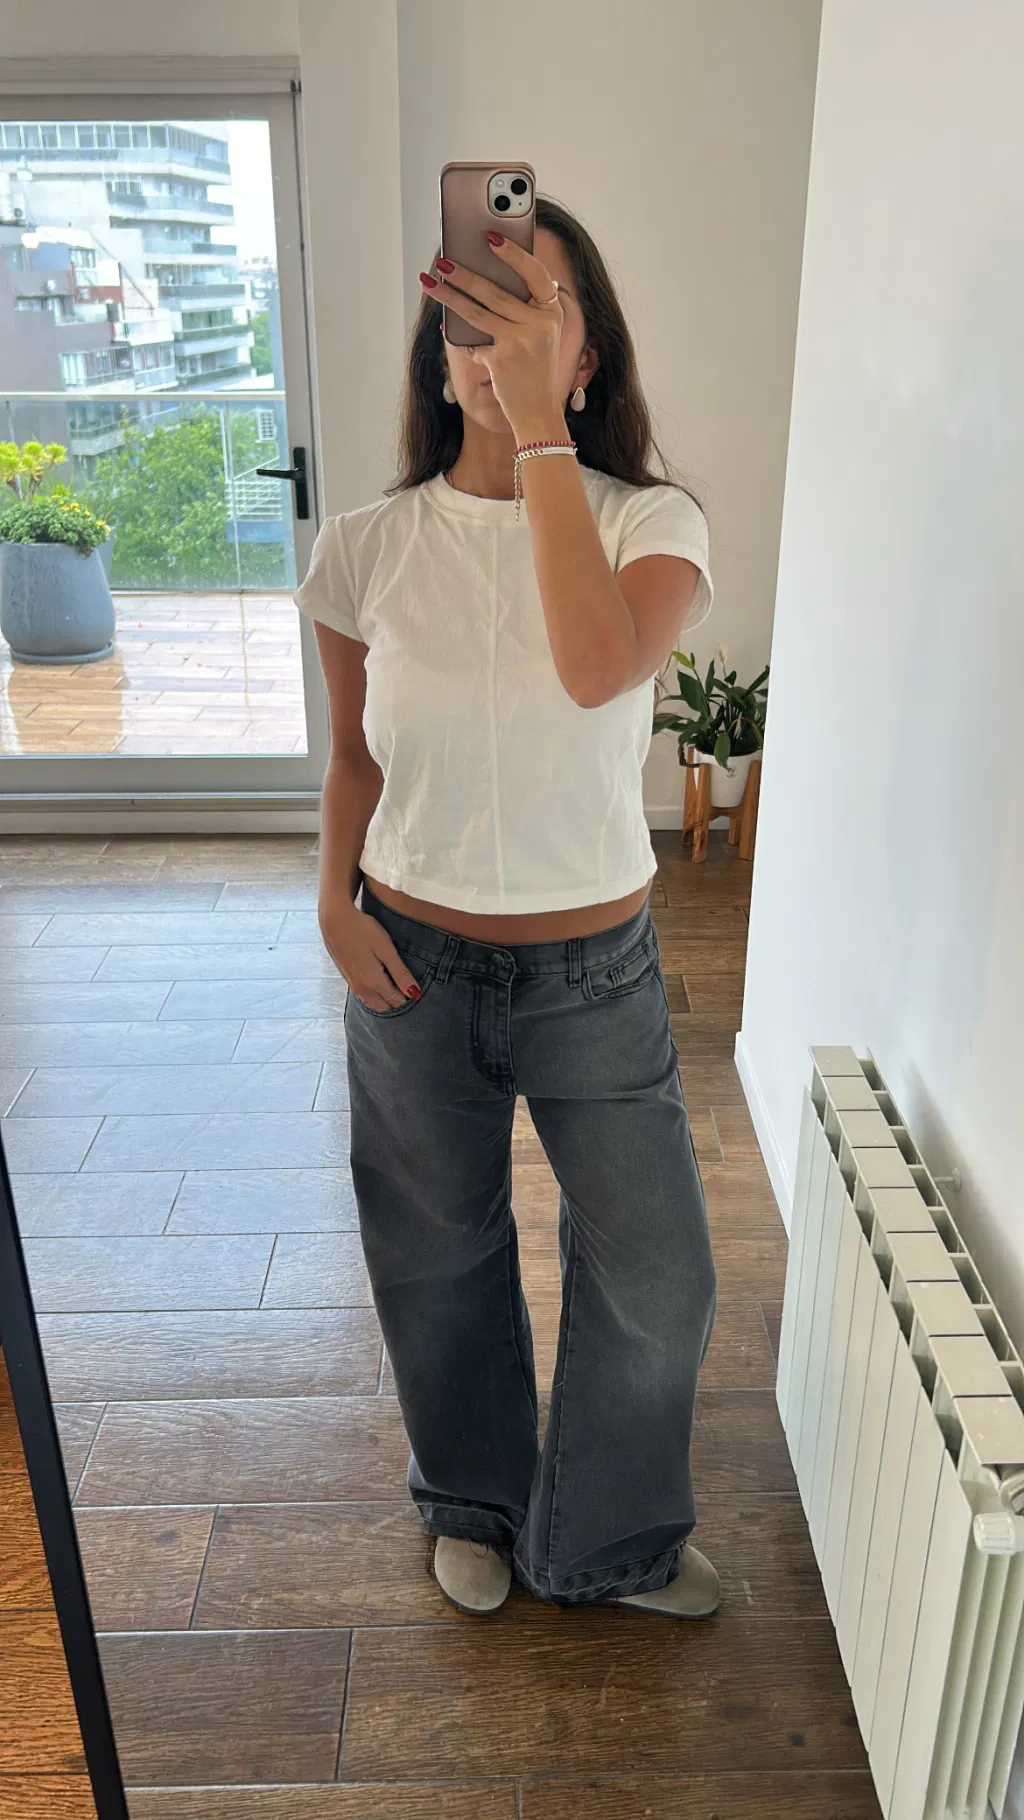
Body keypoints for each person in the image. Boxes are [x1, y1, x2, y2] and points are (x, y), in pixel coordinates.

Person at [294, 194, 718, 1620]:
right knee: (437, 1255)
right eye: (474, 316)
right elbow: (355, 760)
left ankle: (605, 1543)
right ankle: (472, 1500)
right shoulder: (365, 545)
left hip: (594, 971)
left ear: (586, 358)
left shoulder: (652, 523)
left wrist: (538, 436)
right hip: (410, 961)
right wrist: (333, 902)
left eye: (536, 314)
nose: (499, 342)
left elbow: (595, 669)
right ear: (438, 352)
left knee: (659, 1275)